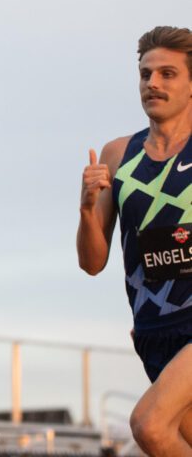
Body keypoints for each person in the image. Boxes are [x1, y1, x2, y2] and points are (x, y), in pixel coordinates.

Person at [77, 26, 192, 456]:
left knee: (149, 425)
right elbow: (92, 262)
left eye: (167, 74)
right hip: (153, 331)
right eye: (145, 74)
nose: (153, 84)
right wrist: (88, 207)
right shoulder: (117, 156)